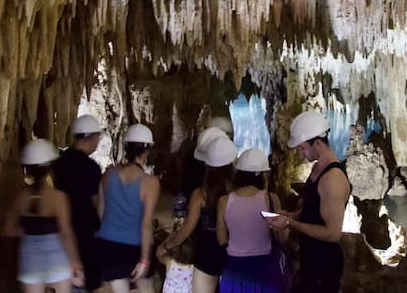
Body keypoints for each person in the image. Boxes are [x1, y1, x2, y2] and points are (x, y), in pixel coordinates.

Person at [268, 110, 350, 293]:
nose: (300, 153)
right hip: (311, 257)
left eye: (302, 148)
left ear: (318, 143)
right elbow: (313, 211)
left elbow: (332, 233)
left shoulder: (333, 179)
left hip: (324, 264)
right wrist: (291, 215)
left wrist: (290, 223)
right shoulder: (317, 169)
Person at [3, 138, 84, 292]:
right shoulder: (59, 197)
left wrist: (26, 230)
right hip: (57, 260)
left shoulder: (20, 197)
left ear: (27, 169)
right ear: (50, 168)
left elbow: (8, 230)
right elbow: (66, 234)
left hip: (30, 262)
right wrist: (76, 264)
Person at [162, 135, 237, 293]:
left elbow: (186, 230)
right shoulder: (236, 191)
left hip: (207, 252)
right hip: (232, 250)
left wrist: (166, 246)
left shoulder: (201, 194)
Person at [97, 124, 161, 293]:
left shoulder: (108, 174)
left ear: (126, 147)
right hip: (135, 245)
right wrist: (145, 260)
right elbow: (146, 224)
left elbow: (101, 212)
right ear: (146, 151)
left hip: (108, 243)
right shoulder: (150, 182)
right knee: (146, 289)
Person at [217, 148, 288, 292]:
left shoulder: (224, 201)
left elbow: (221, 239)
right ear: (262, 174)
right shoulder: (271, 199)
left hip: (234, 269)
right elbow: (282, 238)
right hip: (264, 269)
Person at [53, 114, 103, 292]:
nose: (98, 141)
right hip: (84, 228)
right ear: (91, 137)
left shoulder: (59, 163)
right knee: (85, 277)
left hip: (60, 225)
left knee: (67, 277)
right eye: (98, 137)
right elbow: (96, 202)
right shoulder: (91, 168)